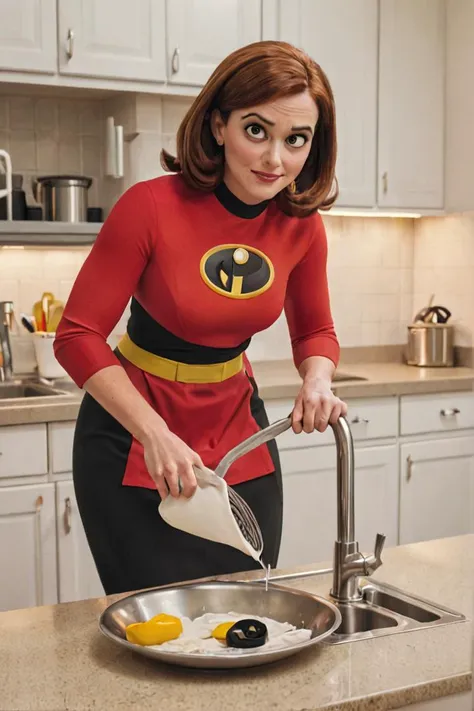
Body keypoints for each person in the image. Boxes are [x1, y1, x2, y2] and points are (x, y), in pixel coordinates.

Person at [54, 40, 348, 596]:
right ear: (218, 125)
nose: (274, 160)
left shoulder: (301, 226)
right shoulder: (149, 206)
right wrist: (154, 434)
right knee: (158, 630)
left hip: (239, 430)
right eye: (256, 130)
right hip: (134, 437)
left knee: (247, 611)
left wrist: (318, 379)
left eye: (296, 140)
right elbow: (76, 336)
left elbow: (314, 330)